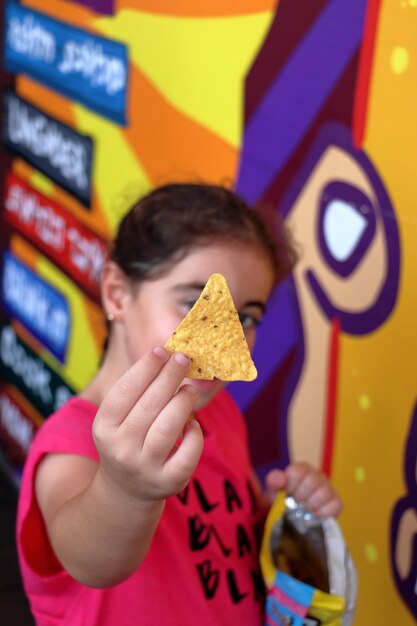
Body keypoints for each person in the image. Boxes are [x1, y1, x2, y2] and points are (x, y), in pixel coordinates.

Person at [16, 183, 342, 626]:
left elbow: (230, 528)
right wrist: (123, 490)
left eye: (247, 317)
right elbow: (90, 561)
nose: (224, 338)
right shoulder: (70, 444)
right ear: (116, 293)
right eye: (197, 303)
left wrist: (281, 512)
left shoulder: (221, 415)